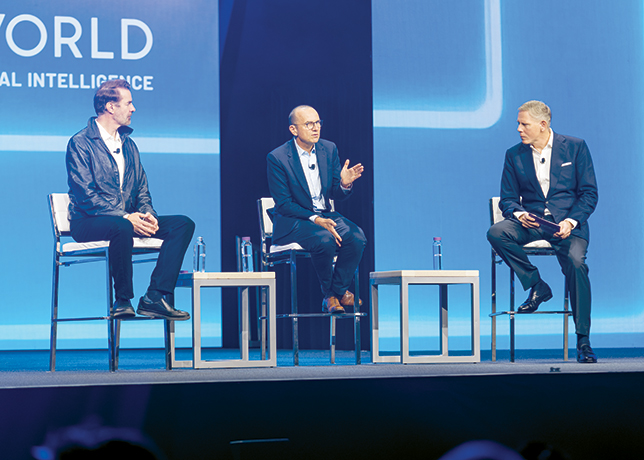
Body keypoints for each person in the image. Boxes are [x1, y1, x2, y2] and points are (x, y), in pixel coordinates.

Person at [66, 79, 195, 320]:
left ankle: (155, 296)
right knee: (122, 226)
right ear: (110, 107)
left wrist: (148, 216)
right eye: (128, 103)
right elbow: (85, 195)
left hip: (125, 221)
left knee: (182, 224)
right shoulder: (81, 143)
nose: (133, 109)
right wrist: (126, 216)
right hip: (88, 221)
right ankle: (123, 300)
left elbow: (141, 190)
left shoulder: (128, 144)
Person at [487, 100, 599, 363]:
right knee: (496, 232)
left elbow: (589, 194)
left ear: (543, 124)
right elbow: (507, 199)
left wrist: (570, 222)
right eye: (518, 123)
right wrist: (519, 214)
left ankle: (583, 340)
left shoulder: (575, 147)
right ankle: (538, 285)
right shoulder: (514, 154)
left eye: (524, 124)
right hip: (533, 223)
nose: (518, 129)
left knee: (576, 264)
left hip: (567, 225)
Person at [267, 105, 366, 313]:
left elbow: (335, 193)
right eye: (309, 124)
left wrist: (344, 184)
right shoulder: (278, 157)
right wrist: (315, 219)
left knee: (356, 237)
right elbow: (284, 204)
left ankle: (336, 292)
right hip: (294, 220)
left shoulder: (328, 149)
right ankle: (331, 295)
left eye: (318, 123)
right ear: (293, 129)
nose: (315, 128)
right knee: (325, 239)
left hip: (325, 214)